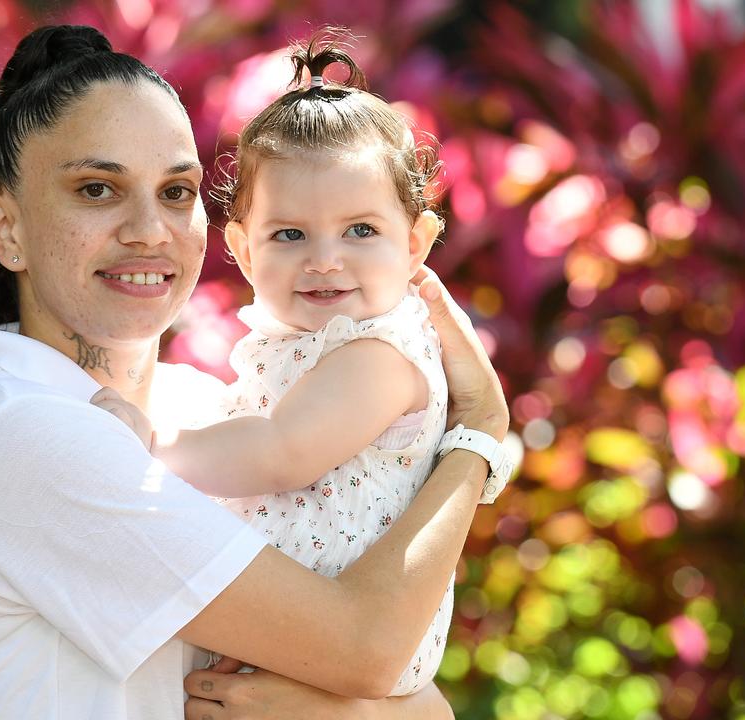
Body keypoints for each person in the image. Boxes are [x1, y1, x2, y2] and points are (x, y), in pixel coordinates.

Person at [0, 24, 509, 719]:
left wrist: (357, 711)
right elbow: (367, 648)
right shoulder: (30, 433)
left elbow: (416, 698)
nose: (148, 230)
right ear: (7, 229)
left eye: (175, 191)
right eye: (97, 189)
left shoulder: (206, 412)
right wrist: (479, 435)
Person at [93, 33, 507, 698]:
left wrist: (150, 447)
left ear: (416, 244)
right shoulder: (302, 348)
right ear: (244, 250)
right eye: (289, 235)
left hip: (354, 621)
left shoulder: (379, 355)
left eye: (360, 231)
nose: (324, 259)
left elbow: (283, 451)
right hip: (308, 621)